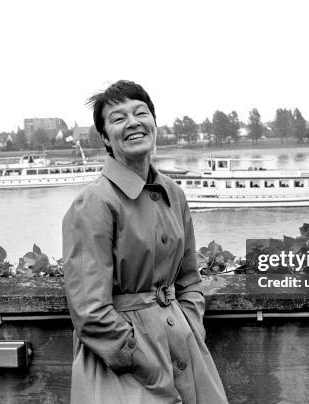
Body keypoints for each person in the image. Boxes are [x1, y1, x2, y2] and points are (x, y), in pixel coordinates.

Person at [62, 80, 228, 404]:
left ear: (154, 123)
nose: (133, 122)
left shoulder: (174, 194)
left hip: (185, 350)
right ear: (105, 138)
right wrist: (139, 356)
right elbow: (89, 309)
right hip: (122, 367)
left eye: (141, 112)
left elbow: (189, 279)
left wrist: (191, 325)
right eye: (118, 117)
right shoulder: (94, 202)